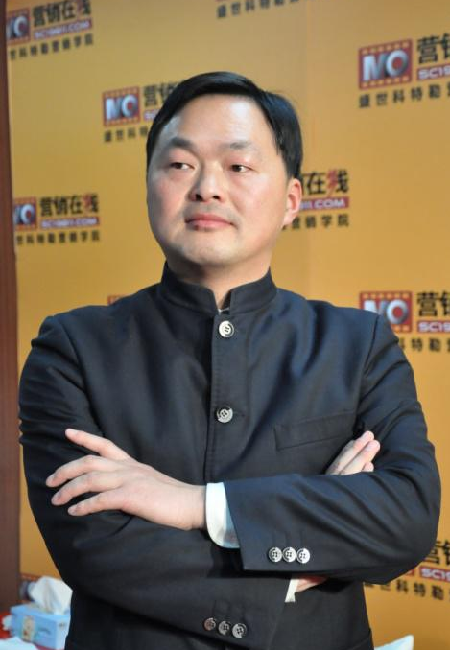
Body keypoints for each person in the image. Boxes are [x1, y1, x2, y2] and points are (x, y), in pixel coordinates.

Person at [19, 72, 440, 650]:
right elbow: (94, 547)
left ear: (291, 201)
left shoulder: (357, 344)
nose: (207, 188)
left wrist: (196, 504)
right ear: (149, 186)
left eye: (238, 166)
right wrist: (292, 568)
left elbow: (406, 518)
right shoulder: (73, 348)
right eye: (180, 164)